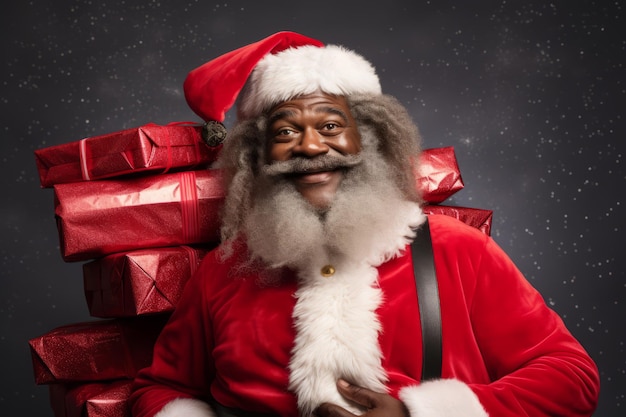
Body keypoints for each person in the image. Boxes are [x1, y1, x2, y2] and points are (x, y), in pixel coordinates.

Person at [130, 31, 600, 417]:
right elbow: (157, 390)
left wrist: (418, 414)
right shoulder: (225, 268)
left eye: (331, 127)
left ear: (372, 137)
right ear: (257, 155)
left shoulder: (459, 250)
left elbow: (570, 377)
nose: (311, 147)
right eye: (286, 132)